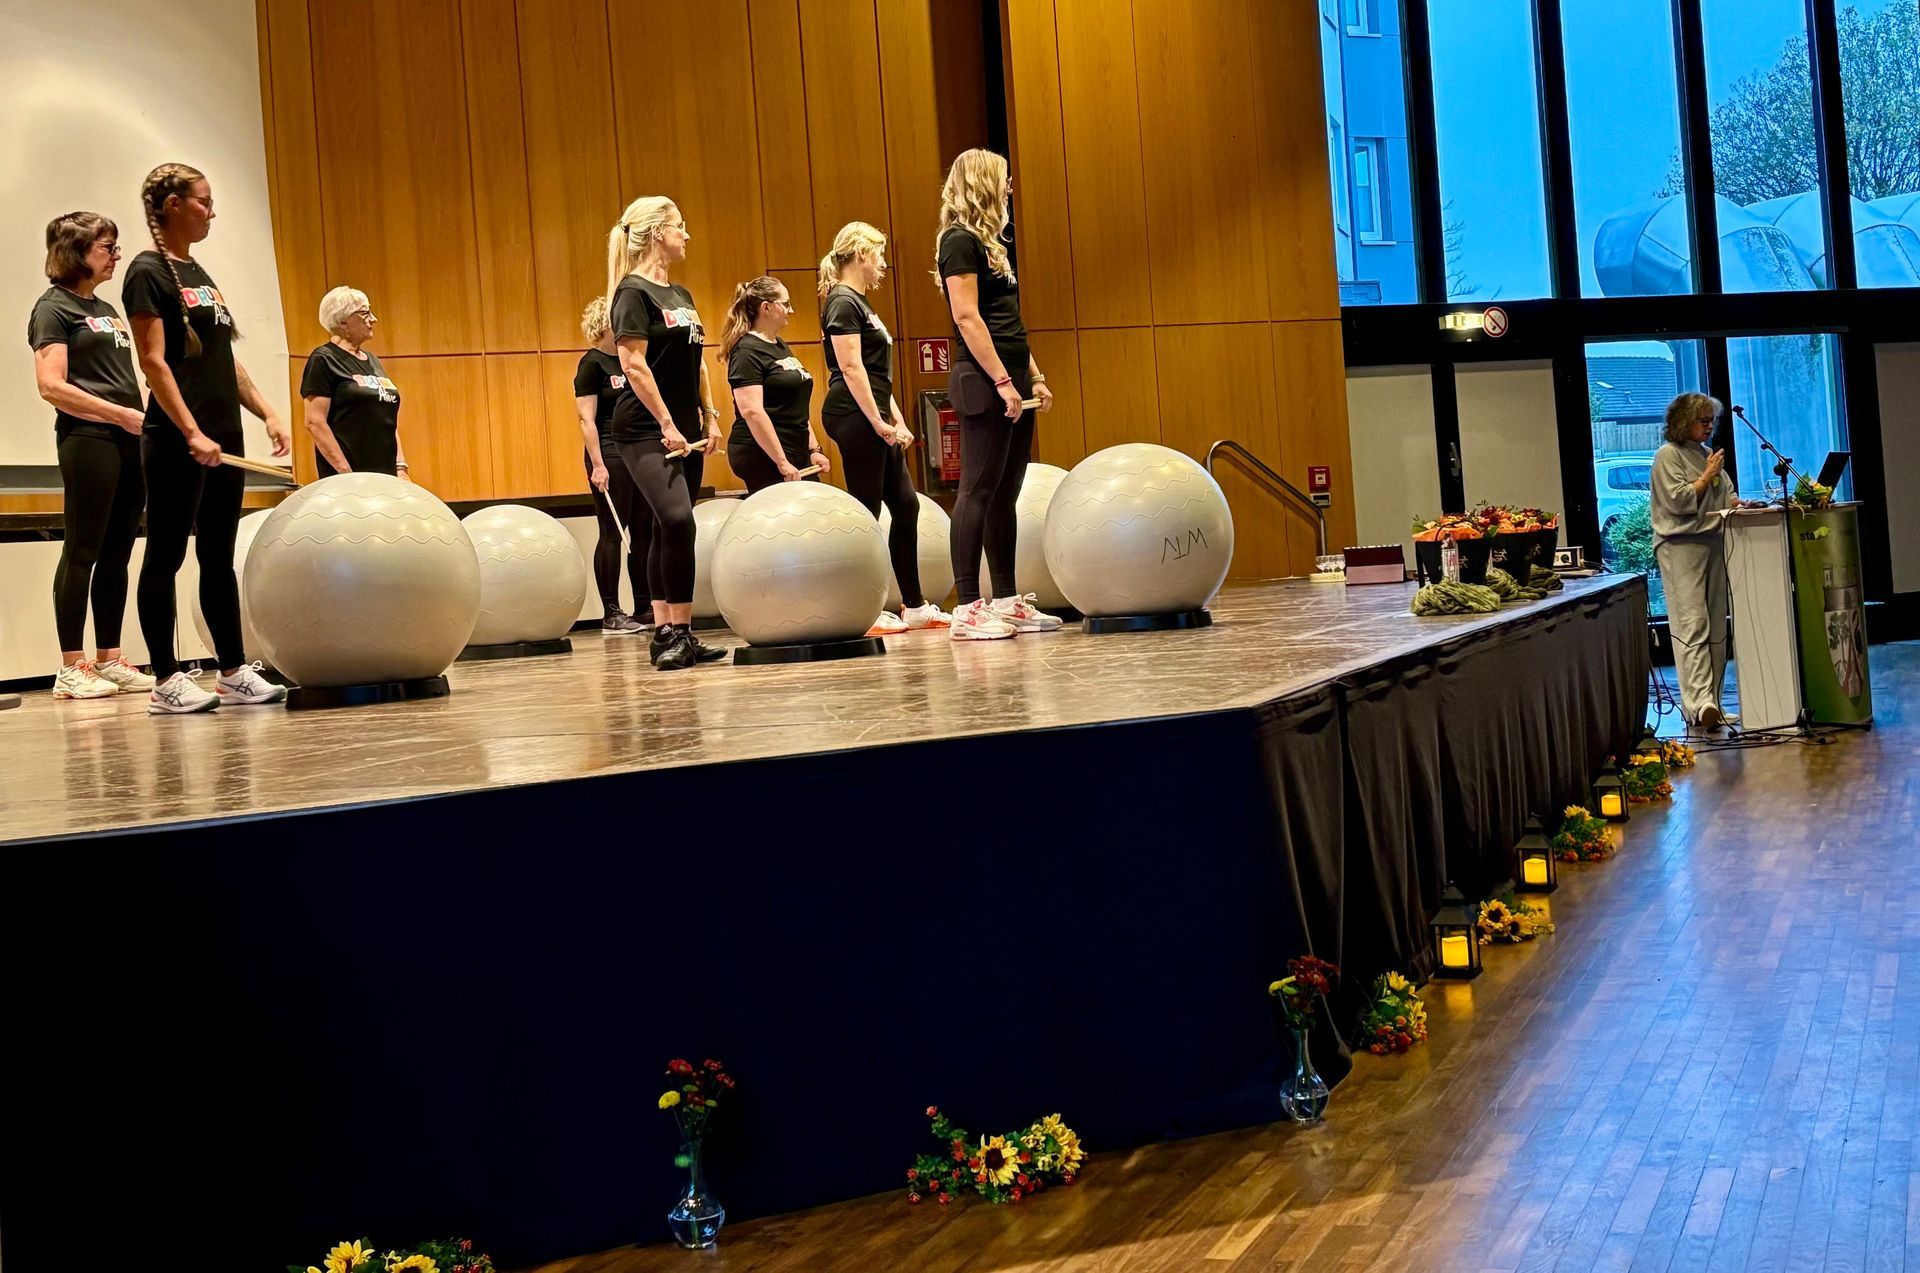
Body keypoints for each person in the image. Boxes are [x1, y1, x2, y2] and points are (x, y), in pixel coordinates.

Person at [127, 162, 290, 713]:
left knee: (218, 556)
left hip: (222, 437)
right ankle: (165, 679)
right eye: (203, 201)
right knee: (166, 554)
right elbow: (154, 362)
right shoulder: (146, 271)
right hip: (177, 438)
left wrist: (266, 412)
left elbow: (222, 357)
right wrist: (191, 431)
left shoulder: (197, 272)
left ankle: (233, 671)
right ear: (173, 205)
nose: (211, 212)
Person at [935, 148, 1060, 641]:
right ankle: (967, 608)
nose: (1010, 188)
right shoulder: (958, 241)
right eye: (1004, 180)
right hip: (982, 381)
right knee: (977, 490)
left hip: (1010, 379)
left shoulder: (992, 246)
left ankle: (1006, 600)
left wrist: (1034, 376)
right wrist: (1002, 382)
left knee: (1006, 491)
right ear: (983, 184)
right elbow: (967, 318)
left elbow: (1008, 323)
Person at [30, 211, 154, 699]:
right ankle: (70, 666)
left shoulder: (105, 307)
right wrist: (119, 414)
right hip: (88, 439)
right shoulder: (52, 308)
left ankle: (109, 658)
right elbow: (51, 385)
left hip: (128, 439)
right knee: (83, 548)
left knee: (118, 549)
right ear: (76, 252)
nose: (116, 255)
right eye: (107, 247)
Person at [605, 195, 726, 671]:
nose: (686, 234)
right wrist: (667, 424)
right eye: (680, 226)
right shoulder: (632, 293)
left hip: (686, 429)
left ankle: (673, 633)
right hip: (642, 429)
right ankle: (673, 632)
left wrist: (709, 416)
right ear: (658, 232)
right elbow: (634, 365)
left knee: (666, 526)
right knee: (678, 521)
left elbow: (697, 363)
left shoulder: (682, 296)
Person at [819, 221, 949, 635]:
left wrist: (896, 420)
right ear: (861, 254)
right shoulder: (842, 301)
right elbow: (851, 367)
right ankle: (865, 608)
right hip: (853, 414)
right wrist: (876, 421)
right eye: (878, 256)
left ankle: (915, 605)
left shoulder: (861, 303)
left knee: (906, 505)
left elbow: (877, 376)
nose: (883, 265)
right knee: (867, 510)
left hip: (872, 413)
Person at [1651, 391, 1741, 731]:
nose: (1709, 427)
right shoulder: (1668, 455)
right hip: (1681, 546)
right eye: (1703, 421)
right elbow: (1678, 501)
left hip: (1713, 541)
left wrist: (1740, 504)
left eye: (1711, 421)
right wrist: (1706, 476)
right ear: (1682, 422)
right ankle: (1697, 704)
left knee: (1716, 624)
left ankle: (1713, 702)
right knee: (1692, 624)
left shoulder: (1705, 454)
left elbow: (1726, 494)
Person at [574, 296, 647, 635]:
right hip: (609, 453)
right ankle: (611, 612)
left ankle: (645, 606)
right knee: (612, 533)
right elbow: (586, 419)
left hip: (637, 451)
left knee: (644, 531)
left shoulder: (631, 360)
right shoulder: (592, 364)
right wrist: (598, 464)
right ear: (604, 324)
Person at [720, 276, 825, 493]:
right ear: (766, 307)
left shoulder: (779, 345)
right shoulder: (746, 350)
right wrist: (781, 461)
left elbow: (795, 405)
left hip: (793, 447)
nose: (791, 310)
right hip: (762, 452)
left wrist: (813, 449)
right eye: (786, 304)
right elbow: (752, 411)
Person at [299, 286, 406, 479]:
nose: (373, 319)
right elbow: (315, 422)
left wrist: (401, 467)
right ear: (343, 320)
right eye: (365, 313)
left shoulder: (372, 361)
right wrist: (347, 475)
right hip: (348, 479)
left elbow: (386, 421)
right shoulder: (324, 359)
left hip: (386, 477)